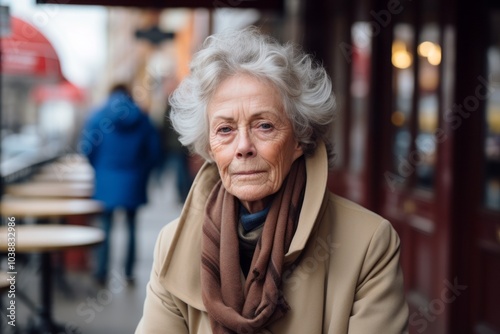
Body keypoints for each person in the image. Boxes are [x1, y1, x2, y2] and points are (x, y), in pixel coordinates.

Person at [136, 28, 408, 333]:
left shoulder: (369, 243)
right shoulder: (172, 244)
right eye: (225, 130)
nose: (243, 147)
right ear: (209, 147)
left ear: (299, 140)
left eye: (264, 125)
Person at [80, 83, 161, 285]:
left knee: (105, 226)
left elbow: (87, 148)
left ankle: (101, 273)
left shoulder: (98, 116)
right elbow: (154, 151)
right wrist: (142, 171)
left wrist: (99, 168)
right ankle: (129, 273)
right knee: (132, 226)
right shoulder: (142, 118)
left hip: (106, 179)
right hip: (134, 178)